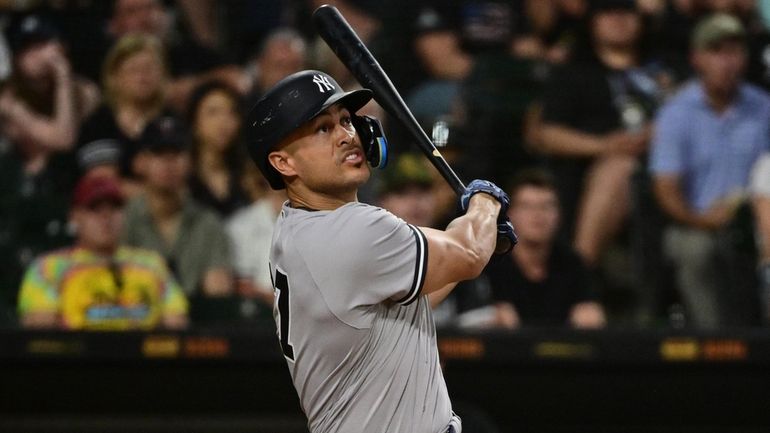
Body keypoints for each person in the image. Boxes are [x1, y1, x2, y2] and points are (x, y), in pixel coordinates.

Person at [245, 69, 516, 433]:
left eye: (345, 120)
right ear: (283, 163)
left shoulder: (296, 226)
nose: (346, 136)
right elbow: (467, 253)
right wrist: (485, 203)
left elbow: (407, 296)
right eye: (322, 129)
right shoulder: (352, 230)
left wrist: (476, 239)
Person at [650, 13, 770, 328]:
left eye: (734, 52)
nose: (726, 62)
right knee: (695, 250)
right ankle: (715, 341)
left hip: (758, 220)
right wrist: (703, 220)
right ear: (697, 58)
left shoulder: (763, 107)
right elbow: (665, 189)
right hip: (696, 221)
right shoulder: (676, 112)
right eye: (716, 52)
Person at [17, 175, 188, 330]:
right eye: (95, 208)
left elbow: (176, 324)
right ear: (74, 216)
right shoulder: (49, 268)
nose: (106, 217)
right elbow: (41, 335)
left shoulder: (151, 264)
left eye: (114, 208)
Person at [121, 116, 234, 299]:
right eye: (159, 153)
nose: (169, 162)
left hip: (195, 322)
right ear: (140, 162)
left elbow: (218, 293)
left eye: (177, 153)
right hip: (134, 320)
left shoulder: (208, 223)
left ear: (190, 162)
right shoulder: (123, 219)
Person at [485, 168, 606, 329]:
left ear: (559, 214)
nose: (538, 215)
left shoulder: (572, 263)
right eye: (527, 206)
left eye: (546, 206)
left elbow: (590, 313)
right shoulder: (491, 263)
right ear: (510, 215)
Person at [78, 33, 176, 194]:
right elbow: (102, 184)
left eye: (150, 68)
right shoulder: (99, 123)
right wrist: (158, 191)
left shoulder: (172, 120)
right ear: (114, 77)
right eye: (134, 70)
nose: (143, 76)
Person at [186, 80, 250, 217]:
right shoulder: (182, 178)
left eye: (231, 113)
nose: (224, 121)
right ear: (194, 123)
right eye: (213, 112)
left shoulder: (249, 176)